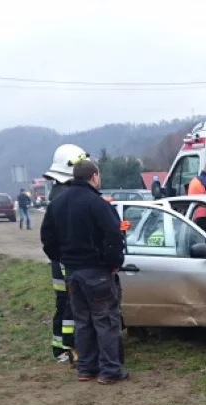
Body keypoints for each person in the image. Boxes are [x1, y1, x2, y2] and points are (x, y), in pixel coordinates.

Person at [41, 158, 127, 384]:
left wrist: (61, 258)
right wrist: (113, 262)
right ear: (94, 177)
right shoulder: (98, 204)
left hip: (72, 272)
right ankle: (110, 371)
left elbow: (47, 238)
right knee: (106, 321)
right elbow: (114, 236)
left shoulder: (57, 204)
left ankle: (86, 368)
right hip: (97, 271)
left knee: (83, 321)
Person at [42, 143, 89, 362]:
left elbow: (48, 237)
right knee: (69, 304)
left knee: (64, 303)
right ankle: (69, 348)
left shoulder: (57, 193)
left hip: (59, 260)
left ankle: (61, 347)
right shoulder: (65, 195)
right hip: (65, 262)